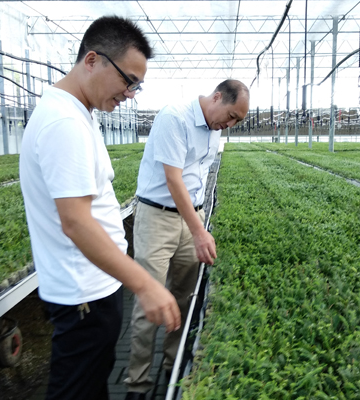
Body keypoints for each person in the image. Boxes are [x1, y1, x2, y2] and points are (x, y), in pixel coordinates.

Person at [19, 16, 180, 400]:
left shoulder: (77, 113)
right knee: (75, 389)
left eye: (137, 86)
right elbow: (76, 223)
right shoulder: (64, 123)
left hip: (91, 288)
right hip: (84, 296)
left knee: (90, 385)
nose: (130, 94)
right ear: (92, 60)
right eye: (128, 80)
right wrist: (144, 284)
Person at [124, 80, 249, 399]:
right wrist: (199, 231)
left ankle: (172, 367)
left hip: (192, 216)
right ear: (217, 97)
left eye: (237, 121)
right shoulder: (174, 117)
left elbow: (199, 177)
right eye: (231, 116)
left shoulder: (215, 128)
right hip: (158, 218)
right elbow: (174, 179)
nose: (230, 125)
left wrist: (197, 221)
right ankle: (137, 383)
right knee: (149, 300)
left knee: (183, 297)